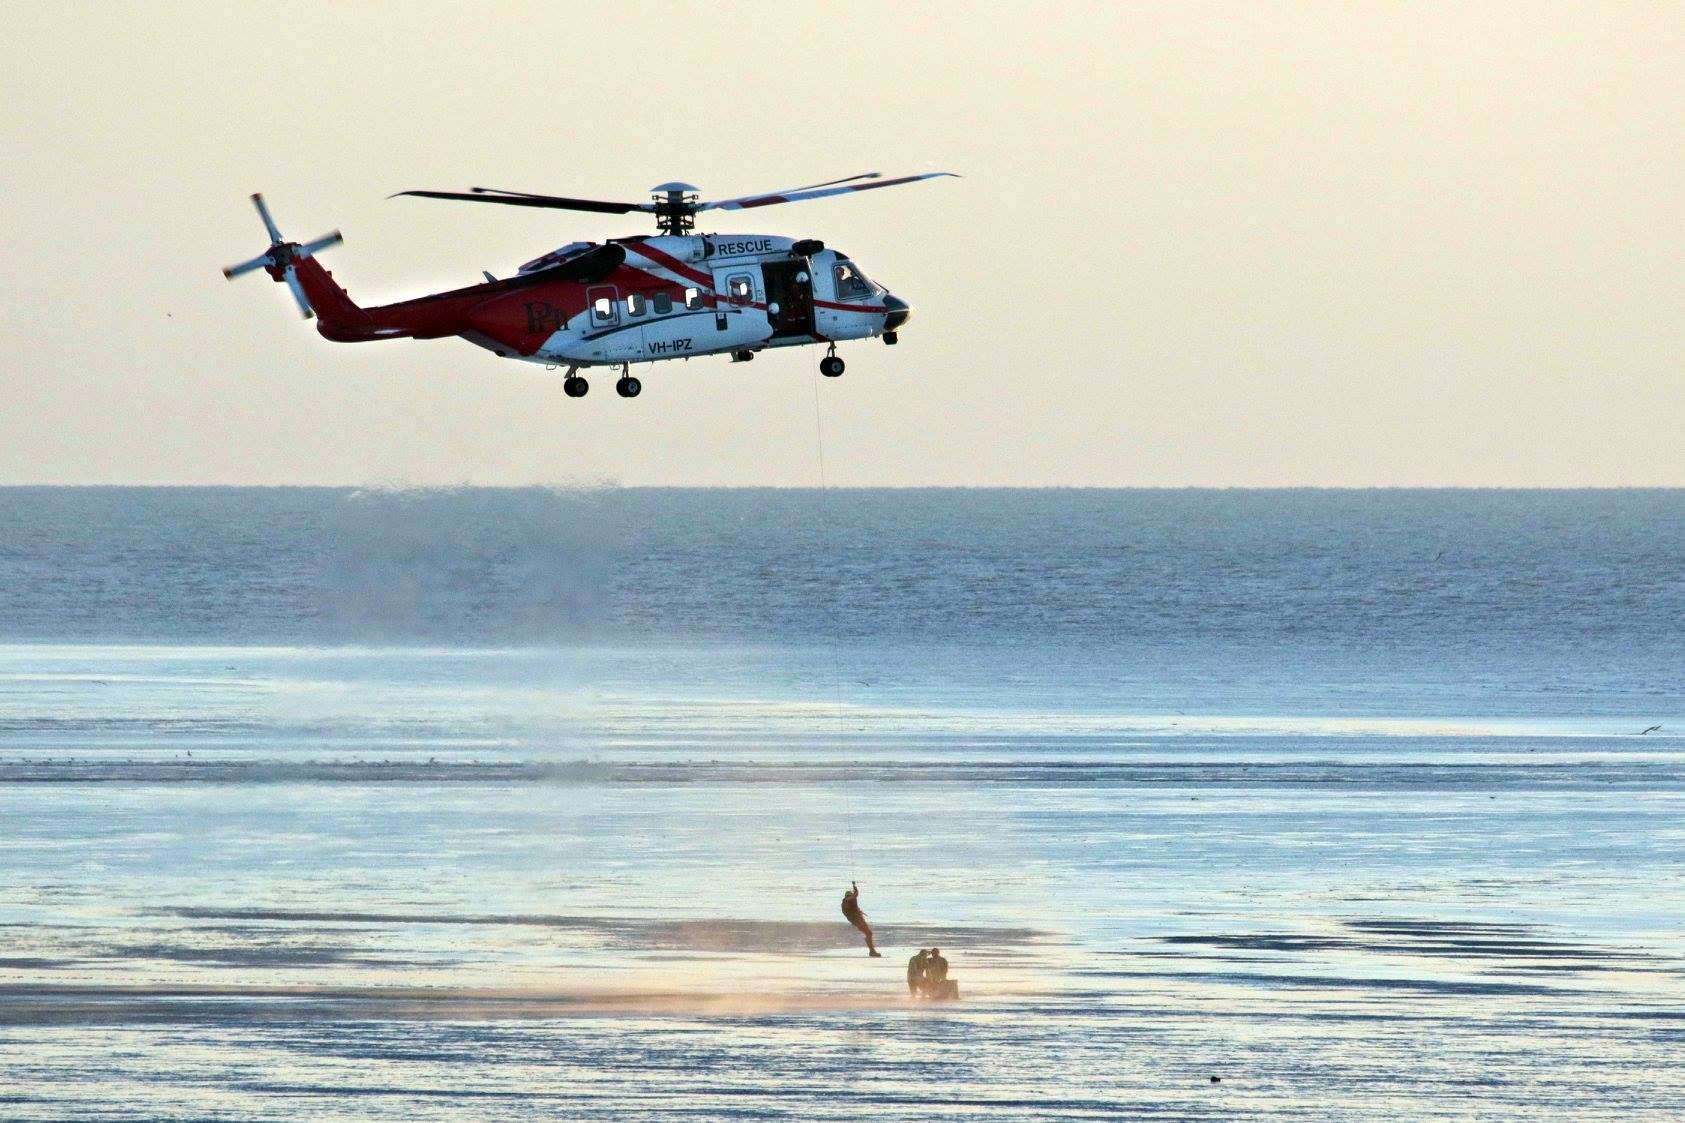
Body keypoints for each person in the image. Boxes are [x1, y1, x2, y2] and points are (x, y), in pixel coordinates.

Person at [840, 880, 881, 957]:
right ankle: (872, 951)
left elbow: (855, 896)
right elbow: (855, 895)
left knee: (868, 933)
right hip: (857, 920)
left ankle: (872, 950)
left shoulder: (846, 901)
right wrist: (855, 889)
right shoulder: (847, 900)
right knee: (869, 933)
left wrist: (855, 889)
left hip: (857, 920)